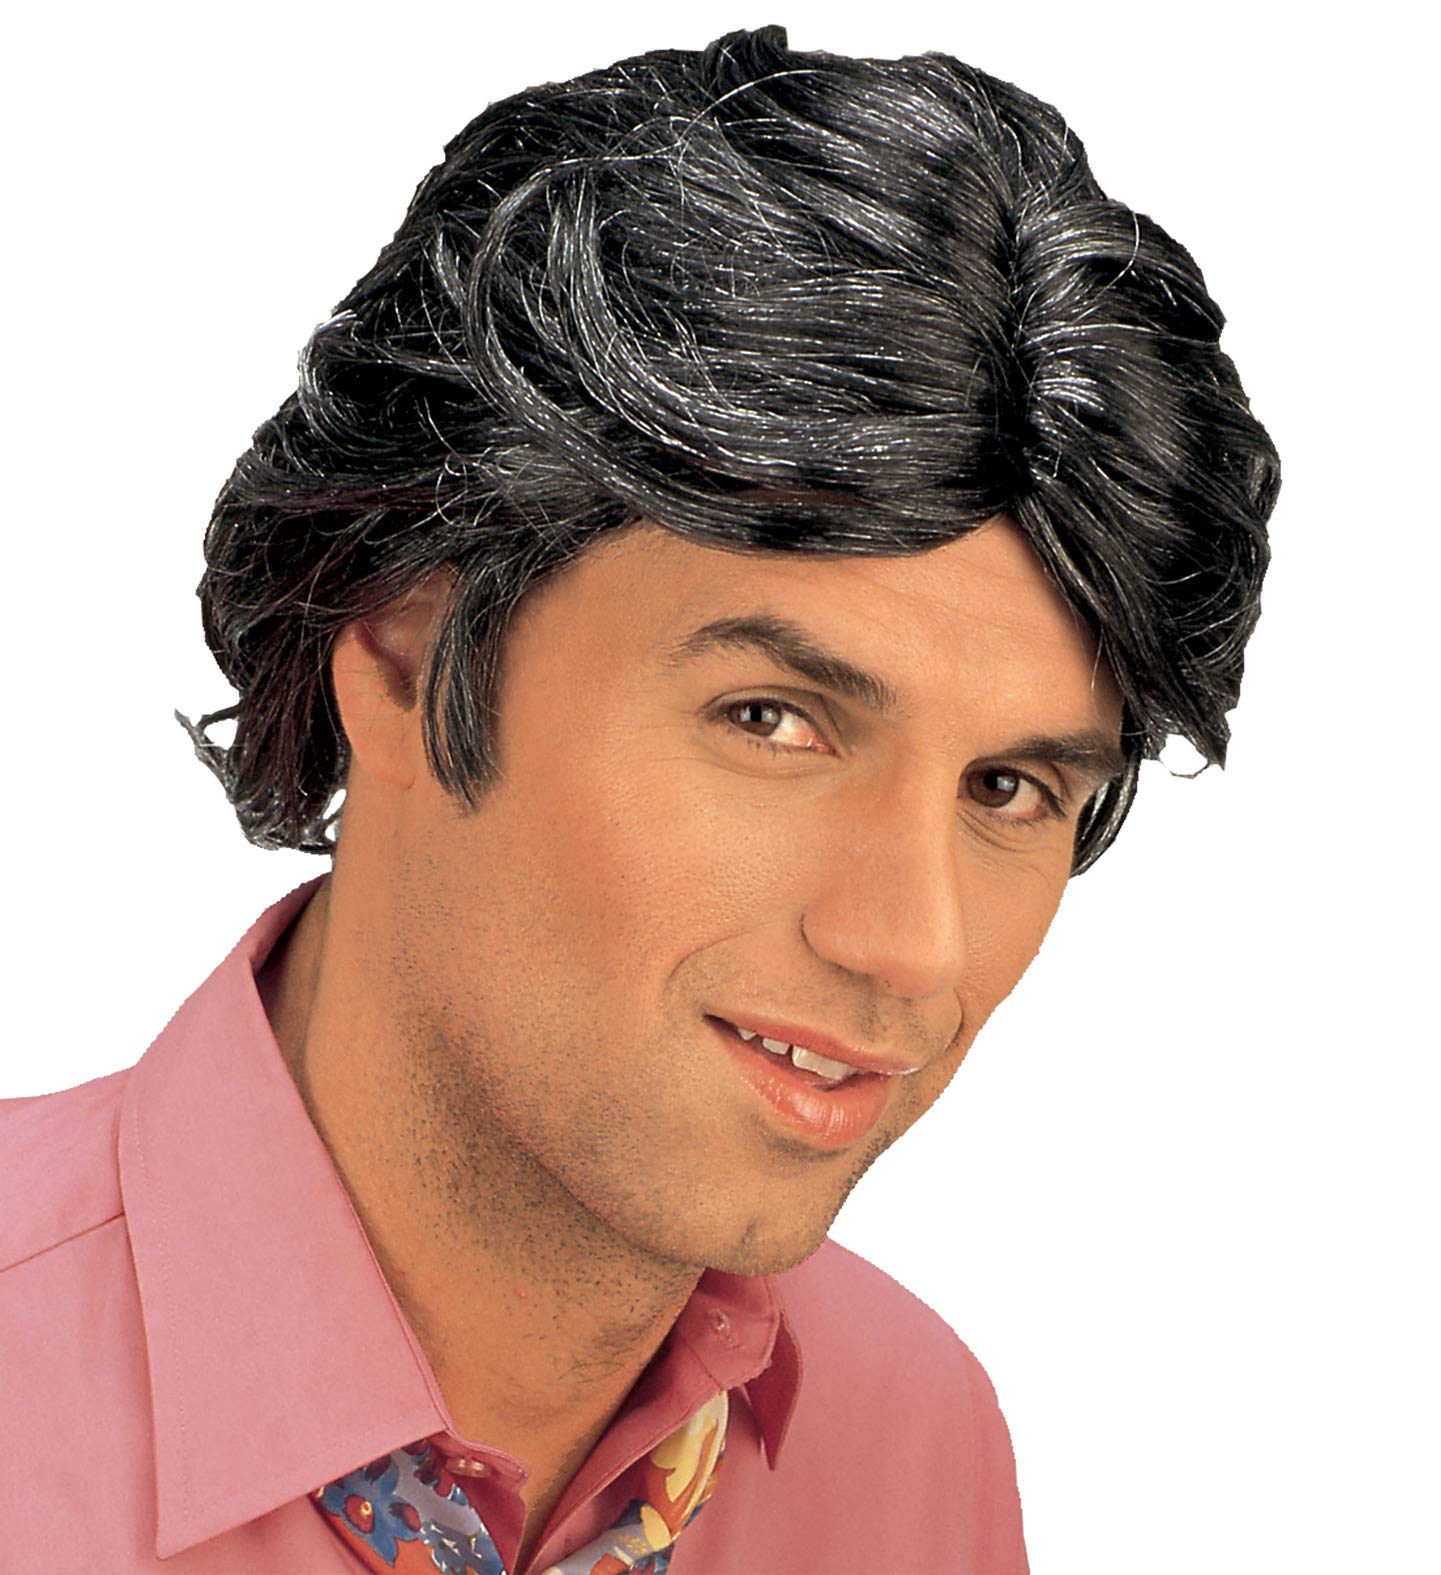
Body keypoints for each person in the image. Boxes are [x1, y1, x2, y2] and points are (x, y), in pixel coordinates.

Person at [0, 24, 1277, 1574]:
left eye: (1007, 787)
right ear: (401, 657)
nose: (908, 946)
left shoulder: (908, 1445)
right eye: (770, 720)